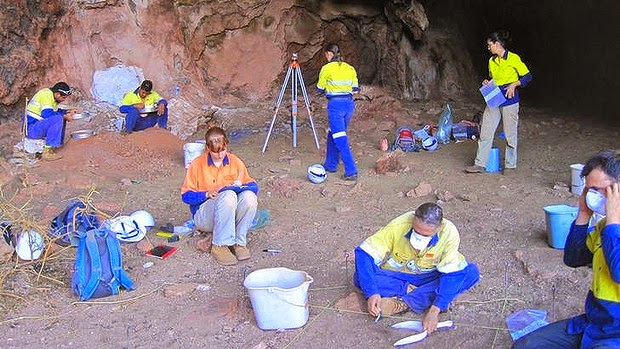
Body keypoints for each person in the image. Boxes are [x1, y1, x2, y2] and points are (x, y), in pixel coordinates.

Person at [513, 150, 620, 349]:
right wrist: (583, 215)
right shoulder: (604, 226)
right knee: (527, 345)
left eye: (598, 189)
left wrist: (614, 221)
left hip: (616, 332)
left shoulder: (611, 226)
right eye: (589, 190)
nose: (592, 196)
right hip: (594, 323)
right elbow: (573, 258)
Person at [354, 202, 480, 333]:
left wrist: (434, 311)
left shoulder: (449, 233)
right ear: (413, 219)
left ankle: (406, 303)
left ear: (439, 227)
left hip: (431, 275)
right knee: (360, 277)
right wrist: (372, 293)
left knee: (470, 272)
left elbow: (452, 275)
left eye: (426, 235)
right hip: (399, 275)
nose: (419, 238)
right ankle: (422, 292)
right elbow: (364, 254)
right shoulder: (400, 224)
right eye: (416, 231)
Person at [181, 127, 258, 266]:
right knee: (227, 195)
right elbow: (186, 196)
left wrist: (240, 185)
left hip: (230, 213)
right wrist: (205, 194)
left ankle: (238, 243)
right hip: (205, 216)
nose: (220, 155)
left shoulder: (235, 162)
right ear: (207, 148)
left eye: (222, 150)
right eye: (215, 152)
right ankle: (220, 245)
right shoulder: (197, 164)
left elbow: (254, 187)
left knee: (249, 197)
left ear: (226, 145)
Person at [466, 31, 532, 174]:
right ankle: (480, 164)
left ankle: (510, 166)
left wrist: (515, 84)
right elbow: (493, 78)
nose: (488, 47)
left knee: (510, 134)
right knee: (486, 131)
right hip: (494, 98)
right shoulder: (492, 61)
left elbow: (527, 76)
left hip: (510, 99)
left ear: (497, 44)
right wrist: (487, 82)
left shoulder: (513, 58)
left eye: (490, 45)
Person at [316, 43, 359, 181]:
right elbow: (355, 88)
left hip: (336, 105)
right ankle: (331, 164)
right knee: (333, 133)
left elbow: (319, 87)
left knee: (340, 137)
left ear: (329, 54)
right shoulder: (350, 68)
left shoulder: (326, 68)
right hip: (349, 104)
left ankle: (351, 169)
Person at [25, 82, 77, 161]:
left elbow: (54, 111)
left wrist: (67, 111)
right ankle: (47, 152)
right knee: (58, 119)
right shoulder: (46, 95)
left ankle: (55, 145)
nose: (63, 100)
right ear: (57, 94)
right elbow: (47, 114)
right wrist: (65, 116)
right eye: (63, 98)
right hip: (31, 128)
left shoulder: (51, 96)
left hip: (35, 126)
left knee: (59, 117)